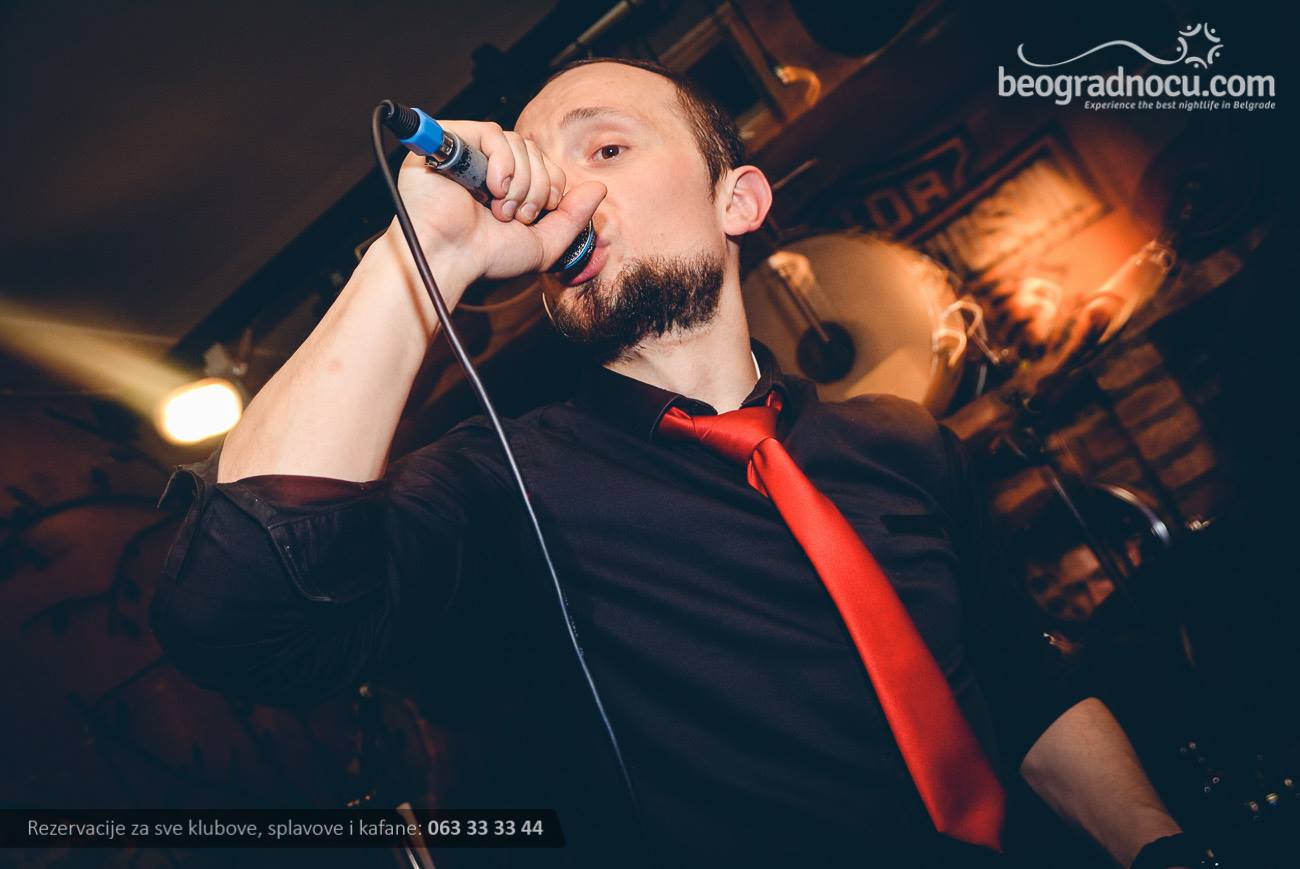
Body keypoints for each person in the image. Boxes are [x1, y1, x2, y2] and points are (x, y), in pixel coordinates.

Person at [150, 58, 1192, 868]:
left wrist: (1162, 846)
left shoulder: (902, 443)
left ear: (738, 201)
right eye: (539, 166)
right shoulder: (500, 486)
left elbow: (1025, 687)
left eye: (604, 147)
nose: (559, 189)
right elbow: (236, 608)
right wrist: (428, 254)